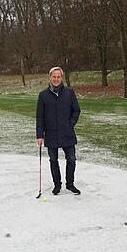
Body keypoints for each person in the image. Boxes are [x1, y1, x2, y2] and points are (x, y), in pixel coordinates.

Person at [36, 67, 81, 195]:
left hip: (67, 133)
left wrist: (70, 123)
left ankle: (70, 184)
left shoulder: (69, 92)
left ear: (61, 78)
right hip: (50, 133)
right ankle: (57, 185)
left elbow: (76, 110)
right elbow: (40, 117)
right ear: (50, 78)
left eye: (58, 77)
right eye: (54, 77)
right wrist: (40, 135)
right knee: (53, 160)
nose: (56, 79)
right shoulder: (43, 95)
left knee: (71, 159)